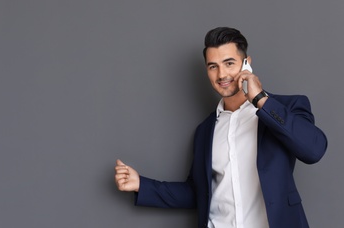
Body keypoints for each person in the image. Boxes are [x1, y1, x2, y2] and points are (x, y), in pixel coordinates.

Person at [114, 27, 327, 228]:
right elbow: (199, 193)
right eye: (213, 66)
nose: (222, 75)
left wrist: (261, 99)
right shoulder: (206, 130)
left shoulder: (286, 107)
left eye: (229, 63)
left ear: (247, 63)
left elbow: (314, 149)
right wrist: (142, 184)